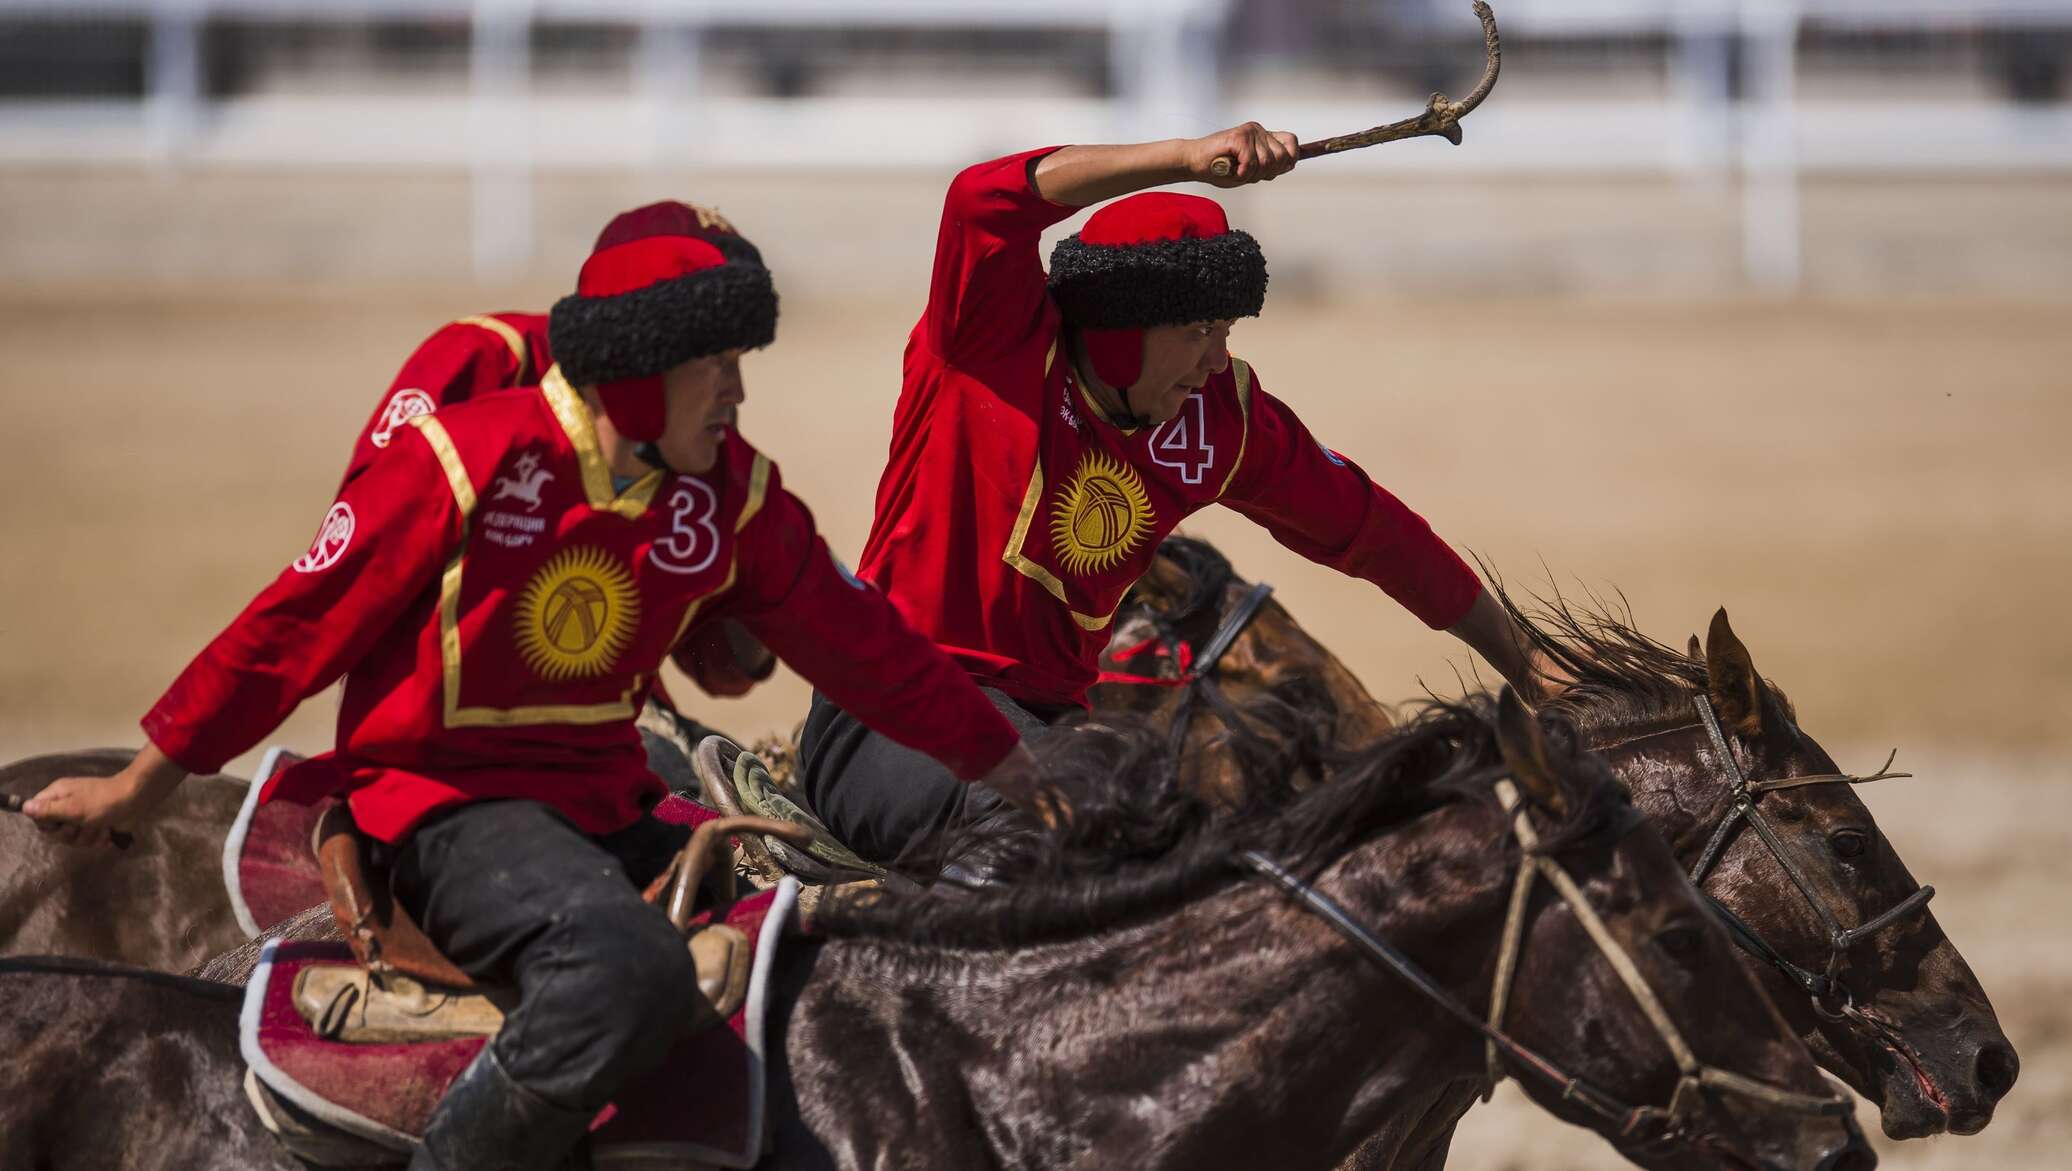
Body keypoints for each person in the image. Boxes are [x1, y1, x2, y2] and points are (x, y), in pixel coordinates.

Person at [26, 221, 1036, 1171]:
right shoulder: (462, 460)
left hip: (606, 802)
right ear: (638, 376)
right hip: (445, 813)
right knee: (624, 971)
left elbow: (867, 652)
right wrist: (140, 787)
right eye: (715, 365)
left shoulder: (729, 493)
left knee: (803, 933)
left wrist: (1014, 770)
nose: (736, 391)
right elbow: (291, 628)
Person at [798, 124, 1560, 866]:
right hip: (889, 709)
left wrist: (1526, 659)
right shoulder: (989, 339)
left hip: (1055, 732)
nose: (1215, 358)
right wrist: (1185, 158)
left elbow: (1371, 529)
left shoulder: (1219, 421)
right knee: (1063, 813)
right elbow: (982, 199)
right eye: (1199, 329)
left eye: (1226, 329)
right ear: (1121, 325)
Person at [344, 201, 774, 703]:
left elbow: (724, 664)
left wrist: (763, 548)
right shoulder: (489, 359)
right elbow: (357, 567)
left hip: (605, 719)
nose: (732, 380)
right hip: (440, 712)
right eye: (709, 323)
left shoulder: (694, 433)